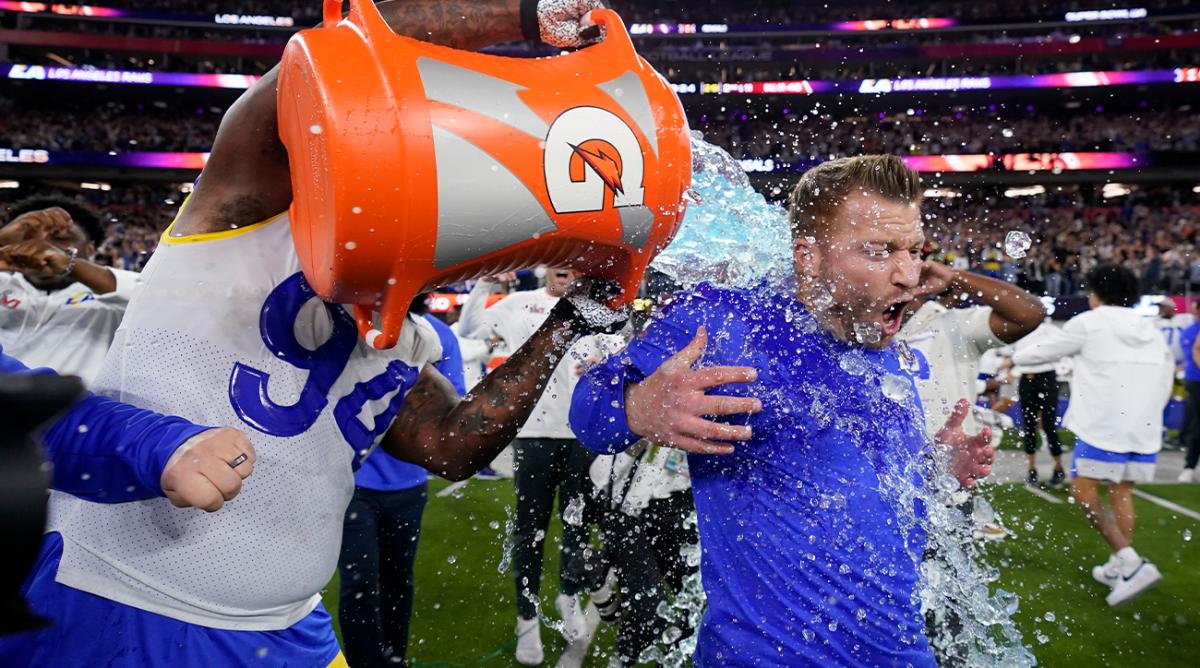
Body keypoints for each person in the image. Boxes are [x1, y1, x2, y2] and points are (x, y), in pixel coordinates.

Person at [0, 2, 621, 666]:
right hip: (124, 606)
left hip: (291, 627)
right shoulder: (242, 220)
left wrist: (572, 318)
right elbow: (321, 62)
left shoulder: (403, 334)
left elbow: (451, 443)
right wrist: (529, 15)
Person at [570, 155, 995, 665]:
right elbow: (589, 408)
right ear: (808, 256)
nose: (909, 274)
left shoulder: (880, 350)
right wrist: (638, 407)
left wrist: (927, 470)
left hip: (902, 653)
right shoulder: (725, 321)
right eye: (880, 252)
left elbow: (846, 496)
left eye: (914, 250)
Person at [466, 268, 625, 664]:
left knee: (576, 528)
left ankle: (567, 598)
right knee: (528, 532)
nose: (566, 268)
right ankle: (526, 620)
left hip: (582, 438)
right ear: (545, 265)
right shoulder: (522, 303)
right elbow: (469, 330)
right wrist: (485, 282)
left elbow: (619, 365)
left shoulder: (596, 312)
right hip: (534, 435)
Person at [1012, 264, 1174, 607]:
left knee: (1082, 490)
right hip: (1143, 426)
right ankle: (1120, 566)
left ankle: (1130, 562)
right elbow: (1165, 378)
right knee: (1122, 491)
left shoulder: (1089, 322)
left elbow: (1040, 354)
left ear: (1096, 293)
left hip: (1105, 423)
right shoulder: (1151, 329)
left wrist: (1015, 355)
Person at [336, 299, 466, 667]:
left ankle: (396, 658)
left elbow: (451, 405)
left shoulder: (437, 335)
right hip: (354, 483)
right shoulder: (347, 328)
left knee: (398, 581)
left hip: (407, 485)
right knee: (359, 585)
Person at [0, 199, 140, 384]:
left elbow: (160, 297)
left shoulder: (112, 299)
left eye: (61, 239)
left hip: (73, 409)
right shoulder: (4, 282)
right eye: (28, 239)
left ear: (90, 248)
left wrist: (69, 264)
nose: (42, 247)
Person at [1012, 322, 1067, 486]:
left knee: (1049, 425)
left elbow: (1060, 350)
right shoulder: (1021, 327)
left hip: (1047, 377)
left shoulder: (1051, 329)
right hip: (1027, 378)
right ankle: (1031, 468)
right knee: (1028, 425)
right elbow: (1014, 353)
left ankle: (1058, 467)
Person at [1180, 306, 1200, 483]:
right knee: (1197, 423)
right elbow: (1194, 353)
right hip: (1196, 380)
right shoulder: (1190, 331)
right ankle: (1189, 466)